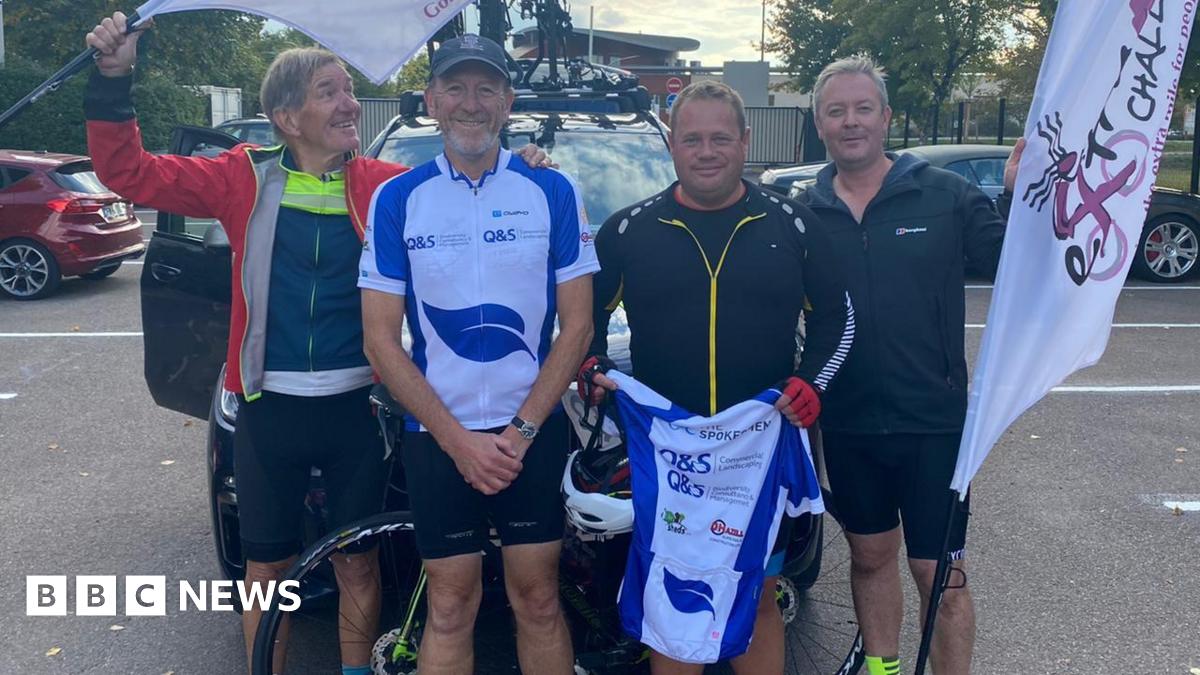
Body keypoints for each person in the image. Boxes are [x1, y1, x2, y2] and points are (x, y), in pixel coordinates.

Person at [83, 15, 549, 675]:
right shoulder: (239, 177)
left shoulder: (383, 184)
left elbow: (468, 188)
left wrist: (522, 166)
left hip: (355, 408)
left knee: (358, 563)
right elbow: (128, 172)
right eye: (330, 92)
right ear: (286, 116)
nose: (350, 104)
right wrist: (112, 79)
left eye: (348, 91)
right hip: (268, 410)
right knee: (266, 566)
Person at [580, 80, 854, 674]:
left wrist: (813, 382)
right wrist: (592, 367)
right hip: (668, 456)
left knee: (757, 597)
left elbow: (839, 318)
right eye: (693, 138)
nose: (707, 151)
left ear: (745, 141)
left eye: (721, 138)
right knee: (671, 603)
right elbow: (585, 322)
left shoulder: (794, 226)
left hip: (758, 454)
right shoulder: (629, 231)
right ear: (672, 145)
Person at [358, 34, 596, 675]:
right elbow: (379, 338)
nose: (471, 102)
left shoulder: (552, 191)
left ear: (508, 101)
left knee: (539, 599)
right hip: (438, 437)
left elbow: (578, 327)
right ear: (432, 101)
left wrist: (519, 433)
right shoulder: (398, 199)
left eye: (487, 88)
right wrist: (460, 441)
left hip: (532, 433)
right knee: (450, 605)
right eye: (456, 88)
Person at [792, 55, 1023, 675]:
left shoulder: (946, 196)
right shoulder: (801, 212)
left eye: (863, 108)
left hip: (934, 423)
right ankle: (882, 669)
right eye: (835, 111)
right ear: (819, 124)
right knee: (868, 559)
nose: (850, 122)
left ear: (886, 116)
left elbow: (1017, 264)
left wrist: (1023, 195)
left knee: (940, 574)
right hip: (847, 424)